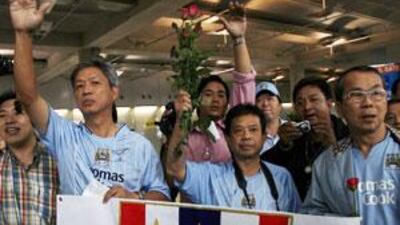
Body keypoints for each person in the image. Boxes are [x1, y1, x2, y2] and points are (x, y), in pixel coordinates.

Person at [9, 0, 169, 202]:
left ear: (114, 92)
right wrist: (23, 34)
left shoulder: (139, 146)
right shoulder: (65, 137)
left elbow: (162, 194)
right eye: (79, 85)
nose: (86, 90)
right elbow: (28, 97)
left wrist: (134, 196)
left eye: (94, 83)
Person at [302, 66, 400, 225]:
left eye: (376, 93)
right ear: (340, 109)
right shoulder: (326, 162)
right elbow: (313, 214)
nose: (368, 103)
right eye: (356, 95)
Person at [167, 104, 301, 211]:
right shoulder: (210, 176)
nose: (246, 136)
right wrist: (182, 119)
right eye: (238, 130)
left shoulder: (282, 177)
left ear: (264, 137)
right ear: (228, 139)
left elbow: (297, 220)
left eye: (253, 130)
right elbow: (175, 168)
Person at [172, 2, 255, 164]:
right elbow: (174, 175)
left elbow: (244, 81)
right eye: (208, 94)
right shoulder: (186, 135)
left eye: (221, 95)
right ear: (196, 100)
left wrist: (239, 39)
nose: (216, 99)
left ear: (228, 102)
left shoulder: (235, 128)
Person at [262, 77, 349, 200]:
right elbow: (265, 165)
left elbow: (356, 174)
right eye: (300, 103)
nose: (307, 107)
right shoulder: (297, 138)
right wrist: (283, 145)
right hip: (303, 212)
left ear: (329, 103)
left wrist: (332, 145)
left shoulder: (348, 134)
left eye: (314, 100)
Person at [0, 90, 59, 225]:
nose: (10, 120)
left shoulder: (58, 162)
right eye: (2, 115)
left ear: (33, 117)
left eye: (18, 112)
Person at [255, 81, 285, 154]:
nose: (265, 104)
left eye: (270, 99)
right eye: (259, 100)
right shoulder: (252, 135)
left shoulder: (293, 130)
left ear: (280, 105)